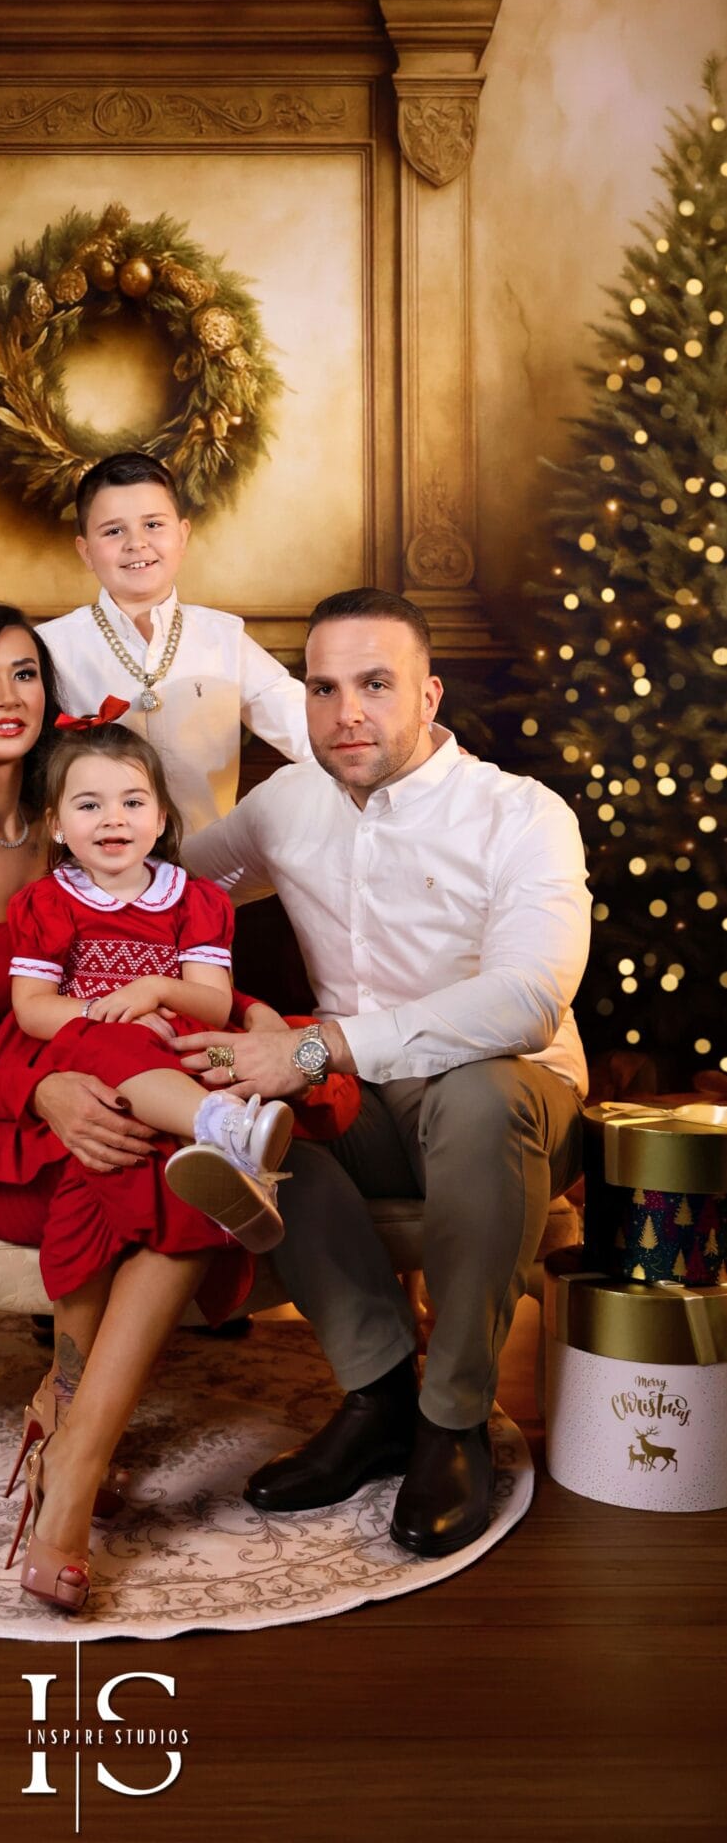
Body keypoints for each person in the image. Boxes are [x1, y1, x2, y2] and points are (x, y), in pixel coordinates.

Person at [0, 605, 334, 1616]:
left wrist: (246, 1016)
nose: (7, 696)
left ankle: (70, 1452)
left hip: (124, 1094)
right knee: (172, 1187)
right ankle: (73, 1479)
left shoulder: (82, 821)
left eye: (26, 673)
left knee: (169, 1164)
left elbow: (172, 965)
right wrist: (38, 1088)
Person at [177, 587, 590, 1558]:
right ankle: (378, 1402)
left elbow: (525, 1000)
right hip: (359, 1105)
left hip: (513, 1095)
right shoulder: (284, 808)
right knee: (255, 1129)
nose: (346, 712)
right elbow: (177, 897)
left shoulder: (520, 815)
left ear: (429, 695)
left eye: (374, 684)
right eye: (323, 688)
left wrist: (316, 1047)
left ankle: (454, 1423)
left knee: (480, 1098)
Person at [0, 707, 300, 1254]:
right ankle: (223, 1129)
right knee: (117, 1045)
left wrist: (156, 990)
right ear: (56, 824)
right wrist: (111, 1014)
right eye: (89, 805)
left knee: (270, 1053)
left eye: (132, 802)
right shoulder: (47, 902)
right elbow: (32, 1008)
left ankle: (238, 1184)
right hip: (81, 1052)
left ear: (161, 818)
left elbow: (215, 1007)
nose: (113, 819)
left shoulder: (194, 900)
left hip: (184, 1051)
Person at [37, 451, 311, 833]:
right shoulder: (50, 647)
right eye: (113, 531)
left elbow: (307, 730)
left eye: (153, 524)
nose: (136, 543)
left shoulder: (224, 639)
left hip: (208, 869)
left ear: (182, 535)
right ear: (85, 551)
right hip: (96, 871)